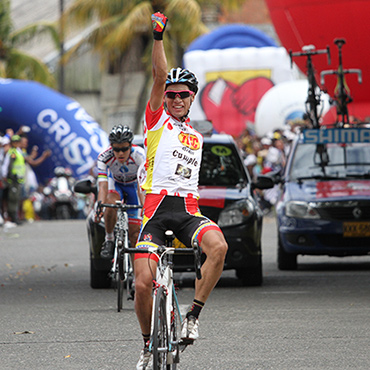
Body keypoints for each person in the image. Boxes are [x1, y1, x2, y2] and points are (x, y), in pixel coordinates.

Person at [134, 12, 228, 369]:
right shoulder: (156, 122)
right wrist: (158, 37)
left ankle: (193, 315)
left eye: (182, 95)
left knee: (219, 247)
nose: (174, 99)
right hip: (155, 214)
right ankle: (146, 344)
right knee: (143, 284)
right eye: (171, 94)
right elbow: (159, 75)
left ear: (191, 99)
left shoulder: (198, 135)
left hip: (188, 212)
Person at [95, 124, 145, 258]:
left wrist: (146, 208)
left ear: (130, 145)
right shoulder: (104, 157)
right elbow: (103, 186)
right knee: (110, 203)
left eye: (124, 149)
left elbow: (142, 186)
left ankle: (136, 278)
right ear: (111, 147)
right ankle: (109, 239)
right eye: (116, 150)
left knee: (135, 236)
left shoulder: (139, 155)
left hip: (134, 186)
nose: (120, 153)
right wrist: (100, 204)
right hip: (116, 185)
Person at [1, 135, 26, 225]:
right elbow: (6, 166)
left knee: (17, 198)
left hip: (19, 179)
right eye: (14, 142)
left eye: (17, 142)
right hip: (13, 179)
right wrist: (6, 177)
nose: (16, 143)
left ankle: (16, 216)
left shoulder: (19, 151)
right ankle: (13, 217)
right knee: (12, 199)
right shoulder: (12, 152)